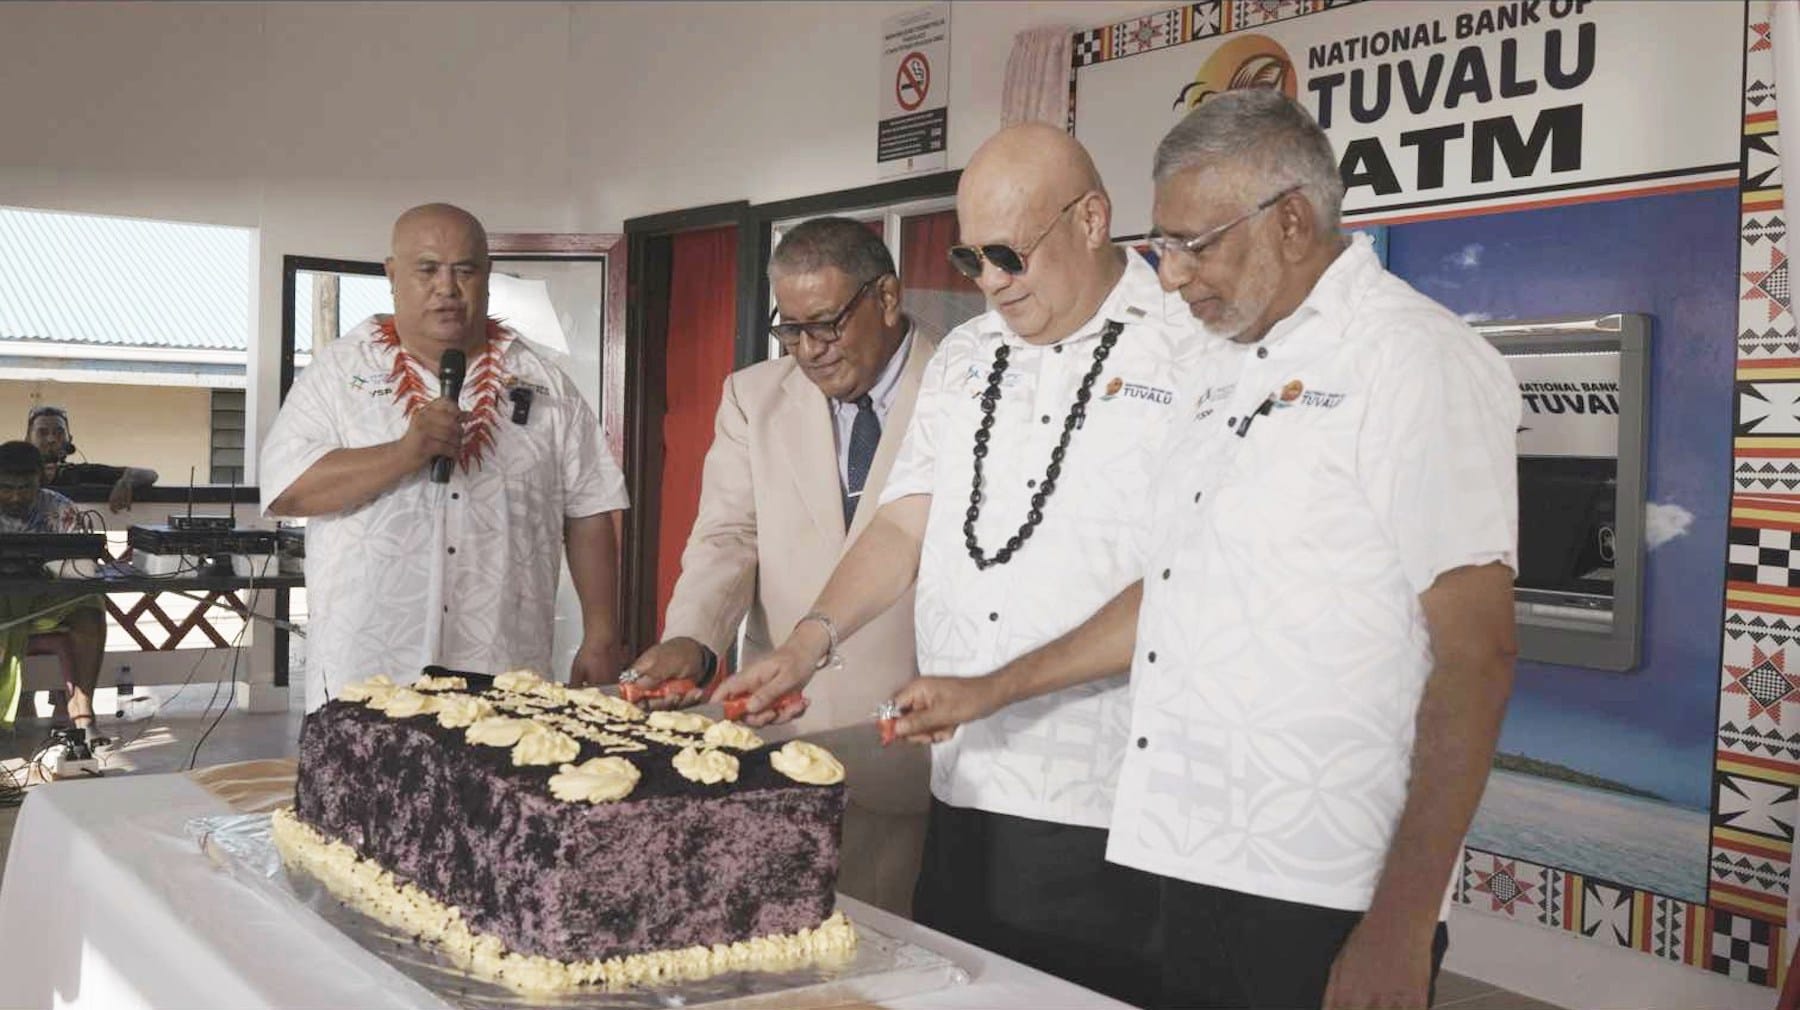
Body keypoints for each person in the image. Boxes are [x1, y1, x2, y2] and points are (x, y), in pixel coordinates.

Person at [890, 89, 1520, 1010]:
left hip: (1321, 882)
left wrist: (1402, 923)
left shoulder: (1411, 360)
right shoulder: (1221, 364)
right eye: (1164, 245)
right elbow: (1174, 590)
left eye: (1196, 244)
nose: (1172, 275)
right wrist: (992, 688)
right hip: (1186, 861)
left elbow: (1478, 656)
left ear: (1292, 221)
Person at [711, 124, 1194, 1006]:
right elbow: (904, 524)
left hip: (1109, 803)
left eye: (1011, 255)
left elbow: (1187, 585)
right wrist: (808, 643)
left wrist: (997, 687)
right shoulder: (968, 357)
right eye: (973, 259)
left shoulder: (1190, 345)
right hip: (964, 785)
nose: (992, 283)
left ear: (1092, 220)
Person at [623, 217, 937, 915]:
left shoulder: (961, 384)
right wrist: (694, 639)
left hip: (914, 741)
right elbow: (727, 536)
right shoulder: (754, 396)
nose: (808, 351)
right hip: (781, 733)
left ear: (886, 298)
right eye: (790, 330)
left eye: (825, 324)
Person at [261, 203, 628, 710]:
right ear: (392, 274)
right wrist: (403, 454)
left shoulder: (546, 384)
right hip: (371, 669)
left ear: (488, 275)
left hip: (504, 667)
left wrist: (602, 634)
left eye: (465, 270)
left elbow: (589, 510)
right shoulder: (339, 374)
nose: (447, 288)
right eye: (428, 269)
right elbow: (286, 490)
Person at [0, 441, 110, 760]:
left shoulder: (61, 509)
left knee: (90, 606)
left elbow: (79, 563)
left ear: (41, 479)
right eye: (6, 488)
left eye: (25, 488)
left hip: (45, 599)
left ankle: (83, 713)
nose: (16, 496)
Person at [27, 405, 158, 513]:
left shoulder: (79, 472)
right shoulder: (16, 471)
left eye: (59, 433)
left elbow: (150, 475)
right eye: (42, 433)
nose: (51, 439)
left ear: (69, 439)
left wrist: (126, 481)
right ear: (28, 439)